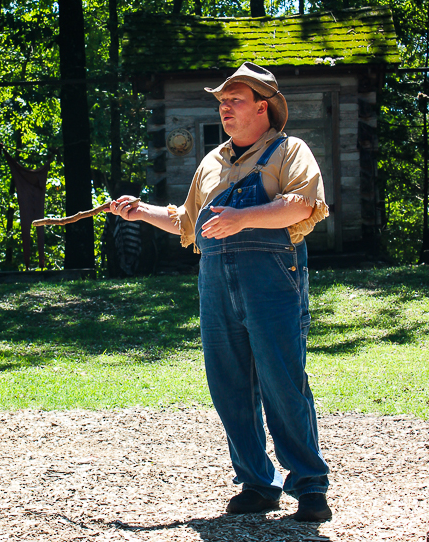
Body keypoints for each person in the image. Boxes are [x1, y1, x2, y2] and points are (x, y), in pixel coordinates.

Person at [110, 63, 332, 522]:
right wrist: (141, 212)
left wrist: (243, 217)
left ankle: (309, 486)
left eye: (234, 101)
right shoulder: (212, 162)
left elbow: (302, 205)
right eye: (221, 102)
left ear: (262, 106)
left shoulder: (289, 152)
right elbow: (187, 224)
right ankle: (257, 483)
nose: (224, 108)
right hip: (216, 282)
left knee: (283, 383)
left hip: (273, 279)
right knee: (229, 385)